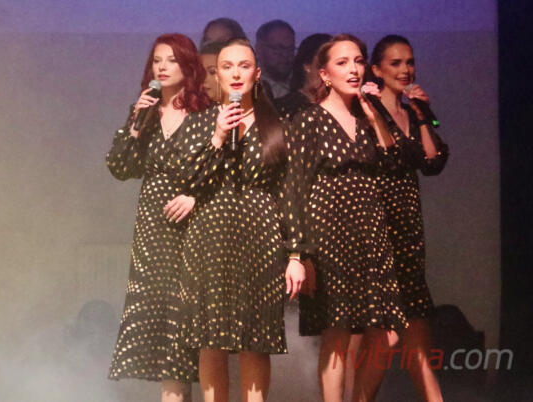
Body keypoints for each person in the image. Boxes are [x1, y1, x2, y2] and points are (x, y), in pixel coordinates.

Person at [170, 38, 305, 402]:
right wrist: (217, 136)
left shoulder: (277, 125)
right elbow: (185, 182)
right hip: (210, 236)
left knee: (255, 340)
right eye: (227, 67)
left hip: (261, 237)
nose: (235, 74)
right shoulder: (199, 123)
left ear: (257, 74)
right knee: (211, 339)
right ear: (216, 74)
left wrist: (295, 255)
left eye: (243, 66)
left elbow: (290, 193)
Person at [285, 34, 408, 402]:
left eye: (357, 61)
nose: (353, 69)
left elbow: (395, 164)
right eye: (342, 63)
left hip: (371, 235)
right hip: (329, 237)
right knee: (338, 335)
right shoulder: (309, 118)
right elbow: (294, 187)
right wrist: (298, 253)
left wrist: (375, 116)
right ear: (324, 74)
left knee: (387, 333)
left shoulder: (367, 117)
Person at [106, 33, 211, 402]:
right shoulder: (146, 114)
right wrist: (135, 123)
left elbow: (222, 174)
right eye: (156, 60)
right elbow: (120, 168)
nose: (162, 67)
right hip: (152, 232)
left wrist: (196, 198)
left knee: (186, 329)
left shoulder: (207, 115)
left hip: (192, 231)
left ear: (189, 65)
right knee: (160, 331)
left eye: (171, 59)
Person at [347, 34, 448, 402]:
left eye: (410, 62)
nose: (406, 70)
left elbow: (433, 162)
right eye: (395, 63)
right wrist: (372, 107)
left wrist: (423, 116)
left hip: (408, 228)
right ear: (376, 69)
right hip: (378, 224)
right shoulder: (367, 111)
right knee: (386, 335)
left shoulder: (412, 111)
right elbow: (381, 158)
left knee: (417, 328)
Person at [275, 33, 331, 120]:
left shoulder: (344, 106)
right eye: (322, 65)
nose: (328, 72)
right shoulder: (284, 107)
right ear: (307, 66)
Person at [255, 20, 296, 98]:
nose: (285, 55)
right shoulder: (246, 85)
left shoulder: (303, 84)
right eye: (277, 49)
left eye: (290, 49)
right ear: (259, 49)